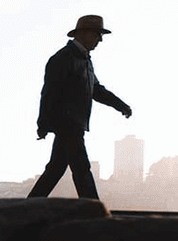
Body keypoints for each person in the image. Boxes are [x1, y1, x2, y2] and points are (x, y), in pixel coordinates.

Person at [27, 14, 131, 200]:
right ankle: (94, 208)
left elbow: (96, 90)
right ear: (82, 34)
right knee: (82, 168)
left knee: (56, 168)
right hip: (68, 124)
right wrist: (43, 124)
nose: (99, 40)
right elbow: (49, 93)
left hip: (74, 124)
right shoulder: (63, 58)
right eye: (96, 34)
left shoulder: (86, 61)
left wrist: (120, 105)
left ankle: (29, 206)